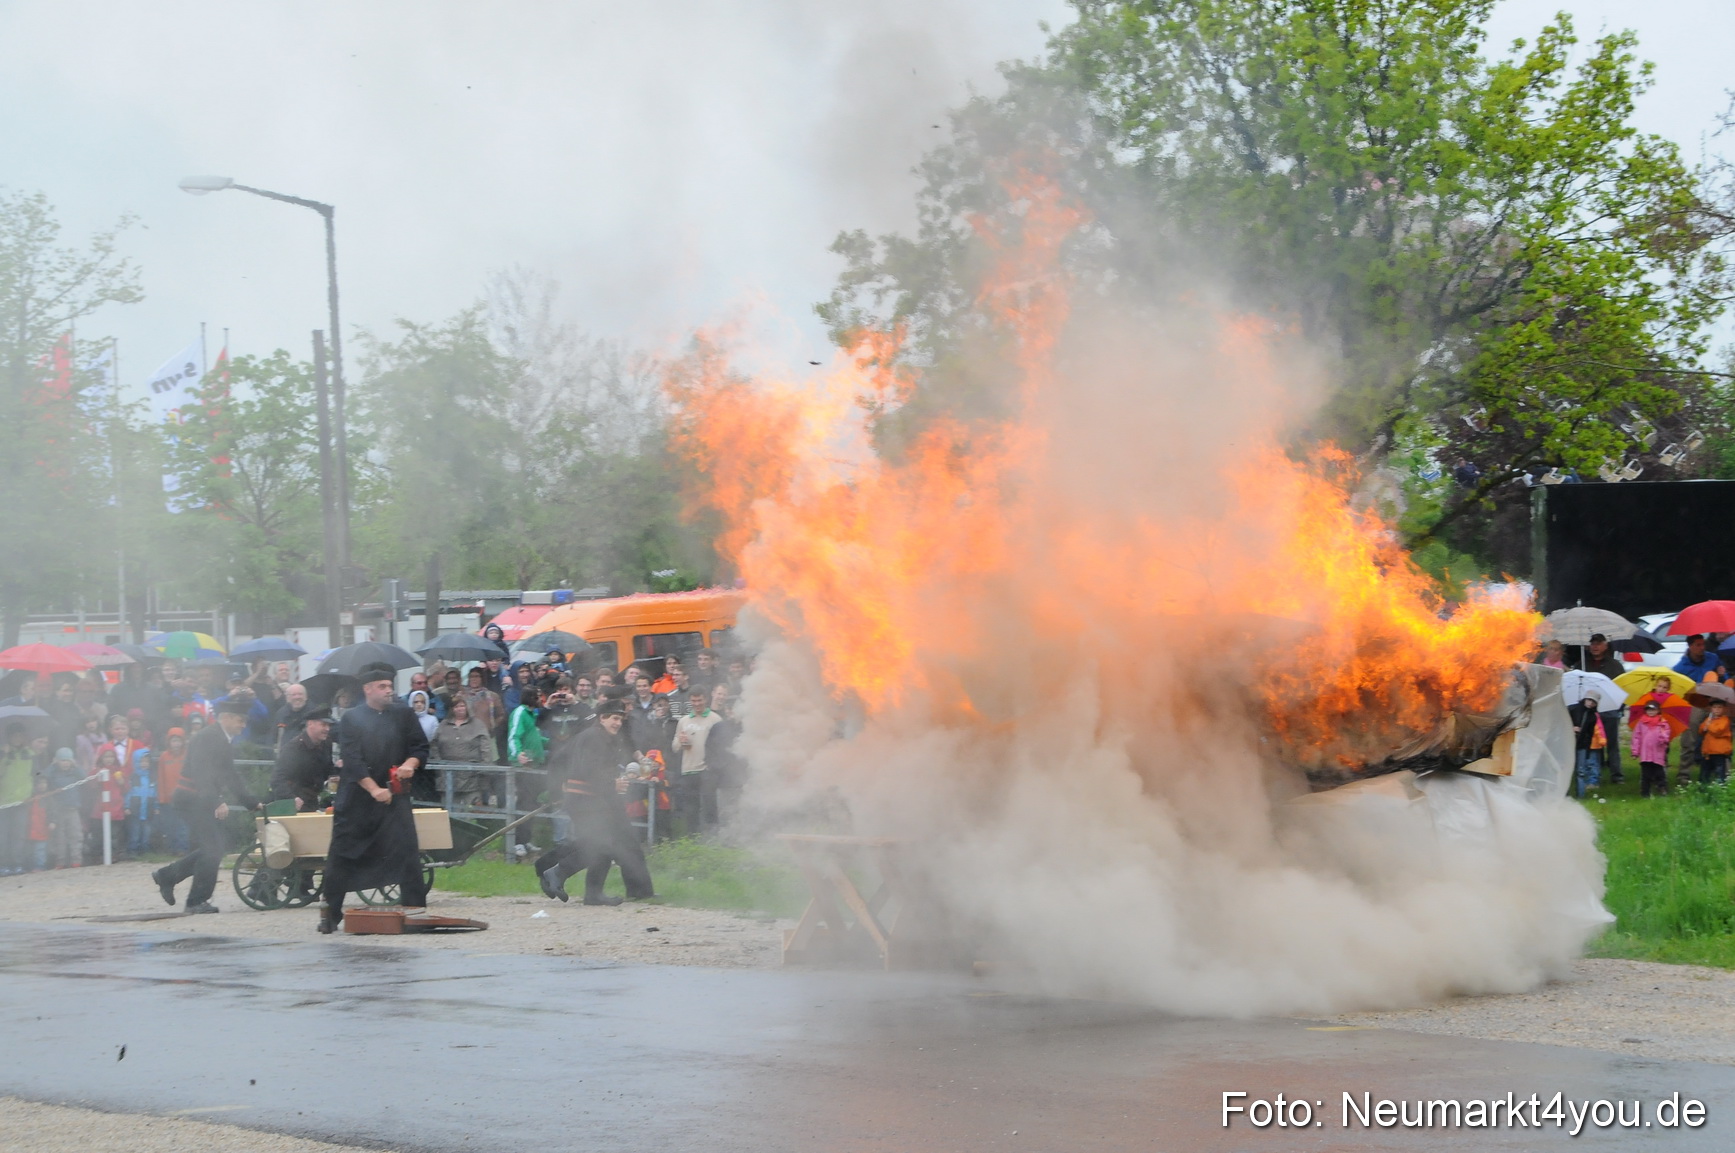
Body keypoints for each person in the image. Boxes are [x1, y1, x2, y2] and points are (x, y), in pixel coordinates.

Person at [322, 663, 432, 934]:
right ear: (367, 689)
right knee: (342, 854)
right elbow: (353, 760)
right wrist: (373, 789)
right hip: (358, 798)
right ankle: (330, 914)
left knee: (407, 852)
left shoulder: (404, 714)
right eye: (382, 687)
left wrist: (410, 763)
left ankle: (414, 913)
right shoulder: (351, 718)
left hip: (395, 795)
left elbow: (420, 746)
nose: (388, 691)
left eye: (390, 686)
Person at [537, 700, 654, 904]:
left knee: (601, 845)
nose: (617, 723)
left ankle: (592, 893)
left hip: (592, 798)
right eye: (614, 718)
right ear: (602, 718)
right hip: (585, 799)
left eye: (620, 719)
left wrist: (557, 790)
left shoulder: (600, 737)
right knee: (600, 845)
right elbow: (588, 769)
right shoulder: (594, 738)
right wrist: (612, 783)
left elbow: (562, 760)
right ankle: (556, 873)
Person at [150, 701, 259, 913]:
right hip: (191, 798)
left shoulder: (222, 739)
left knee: (214, 848)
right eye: (240, 720)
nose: (243, 725)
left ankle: (168, 877)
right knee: (213, 850)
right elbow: (202, 773)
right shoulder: (208, 737)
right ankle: (195, 901)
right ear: (225, 717)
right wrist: (216, 801)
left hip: (200, 799)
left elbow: (230, 775)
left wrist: (252, 802)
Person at [1674, 635, 1727, 777]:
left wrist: (1722, 675)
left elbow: (1723, 680)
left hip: (1713, 702)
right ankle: (1684, 775)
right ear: (1690, 646)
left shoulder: (1713, 658)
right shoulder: (1681, 667)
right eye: (1698, 645)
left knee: (1720, 736)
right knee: (1689, 740)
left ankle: (1722, 775)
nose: (1702, 648)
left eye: (1703, 644)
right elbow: (1677, 688)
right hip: (1694, 704)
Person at [673, 687, 722, 836]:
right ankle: (691, 838)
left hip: (707, 769)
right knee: (690, 807)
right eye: (693, 701)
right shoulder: (684, 721)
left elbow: (722, 744)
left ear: (705, 699)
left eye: (699, 700)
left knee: (709, 804)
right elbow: (674, 747)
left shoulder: (715, 719)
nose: (697, 704)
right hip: (688, 768)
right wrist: (681, 742)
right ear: (690, 701)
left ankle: (713, 837)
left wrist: (714, 765)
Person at [432, 696, 495, 809]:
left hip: (472, 778)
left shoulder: (478, 725)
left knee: (472, 813)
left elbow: (486, 748)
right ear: (452, 709)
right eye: (456, 706)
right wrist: (439, 766)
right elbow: (434, 746)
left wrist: (484, 768)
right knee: (448, 812)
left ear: (467, 707)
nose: (460, 708)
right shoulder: (443, 725)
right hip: (447, 777)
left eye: (462, 705)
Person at [271, 706, 336, 811]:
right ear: (310, 724)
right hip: (295, 805)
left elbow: (328, 768)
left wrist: (337, 773)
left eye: (329, 725)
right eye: (323, 725)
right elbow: (277, 780)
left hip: (316, 801)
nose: (327, 729)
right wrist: (292, 798)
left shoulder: (327, 743)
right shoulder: (293, 748)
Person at [0, 724, 35, 874]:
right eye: (14, 736)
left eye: (20, 735)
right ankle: (3, 864)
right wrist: (4, 756)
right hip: (3, 801)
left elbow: (34, 775)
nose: (17, 738)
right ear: (8, 737)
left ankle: (17, 863)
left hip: (22, 800)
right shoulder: (3, 753)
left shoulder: (29, 753)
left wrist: (30, 794)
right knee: (3, 835)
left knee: (19, 834)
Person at [44, 748, 83, 868]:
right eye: (62, 760)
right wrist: (52, 765)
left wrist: (76, 766)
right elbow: (44, 776)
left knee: (75, 835)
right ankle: (60, 861)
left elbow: (84, 776)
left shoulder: (74, 772)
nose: (65, 763)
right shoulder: (53, 773)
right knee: (59, 837)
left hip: (73, 809)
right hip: (58, 810)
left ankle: (76, 860)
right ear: (57, 761)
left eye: (68, 760)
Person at [1630, 699, 1674, 798]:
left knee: (1659, 772)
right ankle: (1645, 792)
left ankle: (1662, 788)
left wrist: (1663, 737)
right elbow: (1636, 737)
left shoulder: (1662, 723)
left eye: (1653, 710)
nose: (1650, 712)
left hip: (1657, 753)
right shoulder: (1641, 723)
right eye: (1648, 710)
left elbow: (1666, 735)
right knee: (1646, 774)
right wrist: (1635, 751)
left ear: (1658, 710)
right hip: (1645, 754)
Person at [125, 748, 156, 856]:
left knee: (147, 832)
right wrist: (127, 807)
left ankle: (145, 850)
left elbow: (155, 793)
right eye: (141, 761)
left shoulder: (152, 777)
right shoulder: (133, 777)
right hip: (135, 810)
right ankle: (133, 851)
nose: (144, 764)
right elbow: (128, 793)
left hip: (148, 809)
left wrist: (156, 807)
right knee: (135, 833)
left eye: (146, 761)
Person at [1699, 701, 1732, 785]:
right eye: (1714, 707)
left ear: (1724, 709)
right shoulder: (1709, 719)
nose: (1717, 709)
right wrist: (1706, 725)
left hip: (1719, 751)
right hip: (1708, 750)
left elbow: (1718, 731)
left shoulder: (1725, 720)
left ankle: (1720, 787)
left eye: (1719, 707)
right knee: (1705, 770)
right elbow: (1701, 730)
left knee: (1719, 771)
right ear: (1711, 709)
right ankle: (1704, 787)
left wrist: (1709, 725)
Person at [270, 683, 310, 752]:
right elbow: (273, 736)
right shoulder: (281, 713)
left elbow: (332, 729)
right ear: (287, 698)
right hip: (286, 757)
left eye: (300, 694)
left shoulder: (315, 712)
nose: (297, 697)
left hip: (308, 756)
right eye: (293, 695)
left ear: (306, 697)